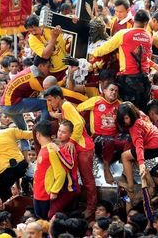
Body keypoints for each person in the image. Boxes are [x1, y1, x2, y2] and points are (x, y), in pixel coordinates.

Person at [43, 86, 97, 218]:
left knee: (87, 179)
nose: (49, 104)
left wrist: (71, 141)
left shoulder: (66, 105)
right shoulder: (63, 108)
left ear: (57, 98)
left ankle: (91, 207)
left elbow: (79, 123)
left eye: (50, 100)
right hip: (76, 146)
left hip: (83, 147)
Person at [92, 9, 158, 111]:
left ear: (134, 19)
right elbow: (147, 58)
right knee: (140, 113)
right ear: (146, 23)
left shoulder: (123, 34)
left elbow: (105, 49)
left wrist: (93, 53)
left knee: (127, 113)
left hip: (128, 81)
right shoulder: (148, 36)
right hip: (144, 81)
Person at [77, 82, 130, 184]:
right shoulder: (96, 101)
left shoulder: (120, 105)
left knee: (129, 139)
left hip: (115, 136)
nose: (114, 92)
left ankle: (125, 169)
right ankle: (106, 167)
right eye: (111, 90)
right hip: (98, 137)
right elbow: (79, 108)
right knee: (108, 141)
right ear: (104, 91)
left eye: (116, 91)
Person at [0, 55, 50, 151]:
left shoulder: (30, 71)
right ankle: (42, 131)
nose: (49, 69)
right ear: (41, 66)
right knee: (45, 104)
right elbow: (50, 91)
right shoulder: (33, 78)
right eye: (48, 67)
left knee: (22, 130)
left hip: (5, 106)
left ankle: (25, 152)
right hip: (12, 104)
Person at [116, 102, 158, 191]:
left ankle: (130, 186)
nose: (125, 121)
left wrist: (141, 163)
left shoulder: (134, 127)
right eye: (123, 119)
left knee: (125, 156)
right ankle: (151, 184)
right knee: (134, 155)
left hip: (155, 146)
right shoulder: (139, 113)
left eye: (127, 118)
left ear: (131, 115)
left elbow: (139, 145)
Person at [33, 120, 73, 220]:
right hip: (37, 193)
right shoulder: (44, 148)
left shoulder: (51, 150)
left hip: (45, 195)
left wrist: (54, 191)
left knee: (45, 222)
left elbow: (61, 173)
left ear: (37, 134)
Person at [0, 119, 32, 201]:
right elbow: (31, 134)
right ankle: (25, 192)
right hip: (21, 165)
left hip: (5, 171)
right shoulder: (10, 131)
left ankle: (6, 209)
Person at [25, 14, 67, 81]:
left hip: (69, 63)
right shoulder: (31, 40)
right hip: (54, 72)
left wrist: (73, 20)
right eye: (30, 31)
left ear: (40, 25)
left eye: (34, 29)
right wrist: (54, 38)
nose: (33, 33)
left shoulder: (50, 26)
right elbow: (46, 55)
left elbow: (68, 23)